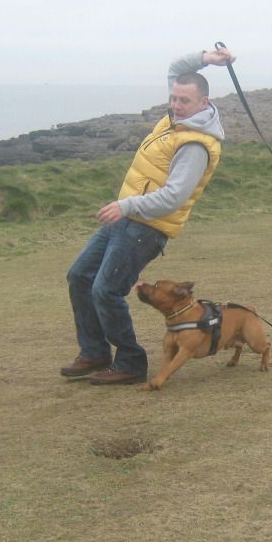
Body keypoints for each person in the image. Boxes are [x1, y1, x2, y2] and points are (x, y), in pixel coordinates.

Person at [61, 46, 235, 385]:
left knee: (106, 290)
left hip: (146, 227)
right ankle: (94, 352)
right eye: (174, 98)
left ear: (204, 103)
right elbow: (177, 68)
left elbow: (173, 197)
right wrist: (206, 58)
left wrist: (126, 206)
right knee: (80, 276)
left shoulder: (196, 144)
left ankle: (129, 361)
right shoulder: (177, 118)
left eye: (184, 101)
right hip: (124, 219)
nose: (176, 104)